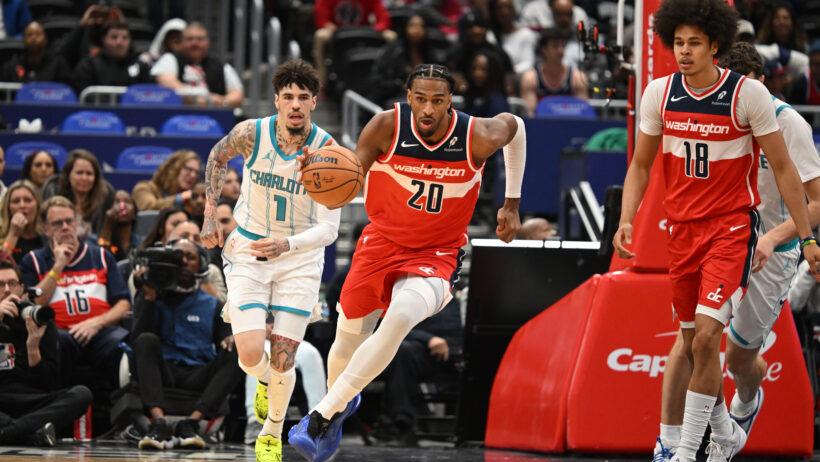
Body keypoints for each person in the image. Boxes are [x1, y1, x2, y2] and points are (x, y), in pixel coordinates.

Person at [610, 1, 820, 461]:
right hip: (683, 232)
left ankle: (685, 452)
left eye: (694, 43)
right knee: (691, 345)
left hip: (736, 230)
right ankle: (717, 430)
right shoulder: (660, 93)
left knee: (712, 341)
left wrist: (806, 238)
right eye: (678, 43)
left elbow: (787, 171)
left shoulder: (757, 101)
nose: (684, 52)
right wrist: (627, 218)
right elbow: (641, 165)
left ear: (715, 47)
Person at [287, 63, 525, 462]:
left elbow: (517, 127)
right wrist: (318, 173)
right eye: (421, 99)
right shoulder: (385, 127)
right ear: (409, 97)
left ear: (450, 101)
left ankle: (321, 415)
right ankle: (340, 403)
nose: (428, 109)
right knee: (346, 340)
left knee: (399, 316)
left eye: (438, 100)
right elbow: (348, 177)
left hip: (438, 253)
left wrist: (512, 202)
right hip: (380, 244)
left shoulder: (476, 135)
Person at [200, 59, 341, 462]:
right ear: (277, 100)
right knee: (249, 355)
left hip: (299, 258)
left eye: (303, 97)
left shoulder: (329, 152)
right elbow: (217, 156)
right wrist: (210, 213)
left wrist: (287, 244)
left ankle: (271, 434)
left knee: (284, 356)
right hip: (249, 249)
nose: (295, 104)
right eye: (288, 96)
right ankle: (264, 382)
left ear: (314, 102)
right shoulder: (252, 133)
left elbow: (330, 229)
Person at [131, 238, 244, 450]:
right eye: (177, 256)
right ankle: (159, 423)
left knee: (238, 348)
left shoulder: (213, 304)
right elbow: (136, 341)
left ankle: (191, 423)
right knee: (146, 340)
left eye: (190, 257)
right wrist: (149, 298)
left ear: (201, 265)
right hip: (164, 371)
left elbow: (225, 338)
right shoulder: (151, 295)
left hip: (198, 373)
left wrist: (230, 337)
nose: (183, 261)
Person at [19, 196, 132, 385]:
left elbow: (124, 304)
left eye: (69, 221)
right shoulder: (33, 260)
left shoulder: (101, 256)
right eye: (57, 223)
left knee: (120, 343)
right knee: (58, 341)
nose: (65, 227)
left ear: (77, 223)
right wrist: (58, 266)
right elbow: (32, 304)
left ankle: (120, 402)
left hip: (99, 332)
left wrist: (96, 323)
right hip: (60, 335)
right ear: (46, 230)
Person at [0, 259, 93, 447]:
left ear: (22, 289)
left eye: (12, 283)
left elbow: (47, 383)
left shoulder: (39, 318)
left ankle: (9, 433)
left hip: (33, 402)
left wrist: (33, 348)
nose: (7, 290)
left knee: (82, 394)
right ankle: (31, 434)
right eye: (1, 284)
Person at [379, 296, 463, 447]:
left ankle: (478, 431)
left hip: (457, 348)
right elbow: (391, 324)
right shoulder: (407, 289)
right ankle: (404, 427)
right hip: (424, 348)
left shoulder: (458, 291)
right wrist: (428, 339)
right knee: (401, 352)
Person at [151, 22, 244, 109]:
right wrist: (196, 99)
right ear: (181, 42)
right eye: (190, 39)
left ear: (208, 42)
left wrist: (222, 102)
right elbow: (167, 83)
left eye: (200, 39)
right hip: (179, 114)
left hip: (214, 115)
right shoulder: (170, 59)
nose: (195, 43)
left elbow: (237, 95)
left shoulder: (220, 65)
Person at [312, 0, 396, 85]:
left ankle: (390, 78)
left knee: (391, 36)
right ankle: (322, 80)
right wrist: (332, 28)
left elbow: (384, 20)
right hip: (337, 31)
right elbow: (321, 19)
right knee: (320, 35)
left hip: (364, 31)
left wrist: (374, 29)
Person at [41, 149, 116, 238]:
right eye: (79, 173)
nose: (84, 178)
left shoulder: (106, 200)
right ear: (68, 175)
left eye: (89, 174)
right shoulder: (53, 193)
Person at [520, 27, 589, 116]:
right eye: (555, 46)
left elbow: (584, 113)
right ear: (544, 49)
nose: (561, 51)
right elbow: (530, 114)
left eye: (563, 46)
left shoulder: (578, 78)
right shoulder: (530, 78)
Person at [71, 21, 154, 93]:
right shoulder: (89, 65)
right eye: (114, 37)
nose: (119, 42)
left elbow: (148, 95)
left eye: (125, 38)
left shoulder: (141, 66)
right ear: (103, 39)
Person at [0, 21, 71, 84]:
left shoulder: (58, 65)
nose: (33, 38)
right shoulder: (13, 66)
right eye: (29, 35)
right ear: (24, 40)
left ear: (45, 40)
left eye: (38, 34)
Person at [132, 149, 202, 211]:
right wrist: (180, 198)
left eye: (196, 172)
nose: (193, 175)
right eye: (188, 169)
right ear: (173, 168)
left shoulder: (197, 198)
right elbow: (149, 207)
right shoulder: (144, 188)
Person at [0, 180, 46, 264]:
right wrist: (13, 234)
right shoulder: (2, 235)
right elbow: (2, 266)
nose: (22, 205)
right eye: (16, 201)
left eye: (28, 200)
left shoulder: (48, 235)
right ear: (8, 208)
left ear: (37, 204)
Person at [97, 190, 139, 261]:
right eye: (117, 202)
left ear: (134, 213)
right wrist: (107, 226)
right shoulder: (93, 240)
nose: (122, 206)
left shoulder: (141, 244)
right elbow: (99, 260)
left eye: (127, 201)